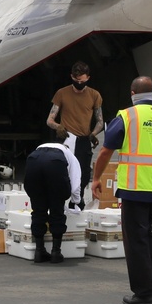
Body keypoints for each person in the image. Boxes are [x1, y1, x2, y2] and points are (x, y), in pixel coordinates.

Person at [91, 76, 152, 304]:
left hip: (134, 187)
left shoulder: (127, 116)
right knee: (146, 234)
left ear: (133, 93)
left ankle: (145, 292)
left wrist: (95, 178)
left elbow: (105, 151)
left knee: (135, 240)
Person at [47, 61, 104, 210]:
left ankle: (76, 201)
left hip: (83, 139)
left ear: (88, 78)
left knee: (84, 173)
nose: (79, 83)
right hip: (66, 137)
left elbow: (99, 121)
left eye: (82, 81)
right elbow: (50, 120)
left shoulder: (94, 95)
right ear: (71, 77)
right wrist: (58, 126)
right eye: (76, 80)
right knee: (61, 170)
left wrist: (93, 133)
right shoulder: (62, 93)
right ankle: (59, 200)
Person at [22, 127, 82, 263]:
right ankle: (56, 252)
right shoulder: (68, 153)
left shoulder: (40, 148)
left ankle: (39, 251)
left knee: (38, 210)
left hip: (33, 161)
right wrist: (76, 201)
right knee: (57, 209)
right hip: (55, 165)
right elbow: (75, 182)